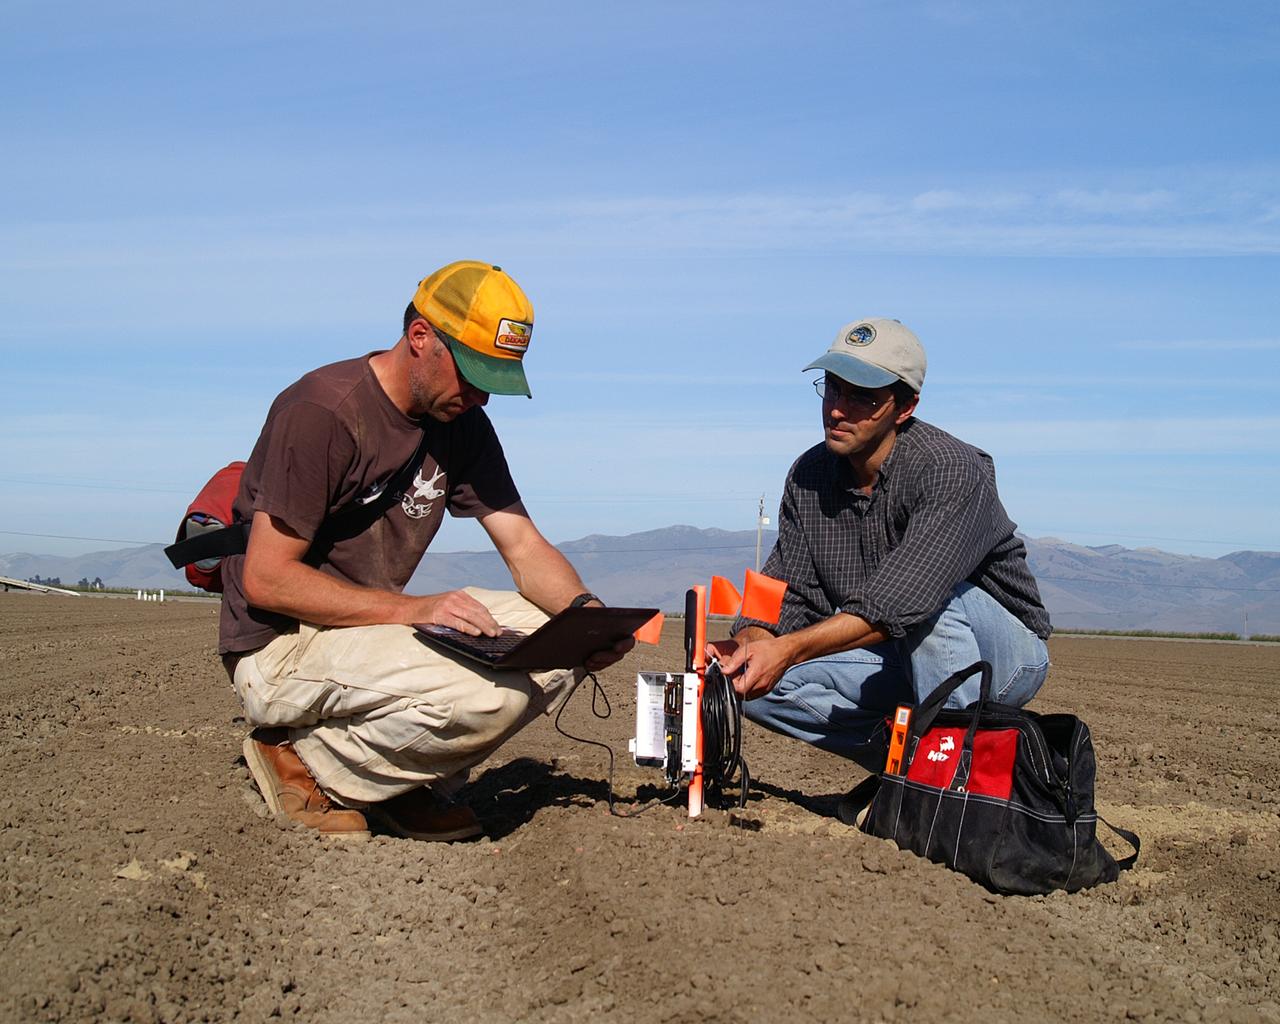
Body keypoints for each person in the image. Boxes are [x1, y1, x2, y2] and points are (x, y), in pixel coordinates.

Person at [218, 260, 632, 843]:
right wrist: (414, 609)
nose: (481, 395)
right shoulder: (323, 412)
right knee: (493, 696)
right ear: (420, 338)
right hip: (282, 644)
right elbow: (266, 579)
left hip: (365, 629)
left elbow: (522, 543)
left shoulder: (461, 421)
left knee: (555, 642)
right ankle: (302, 761)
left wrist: (588, 616)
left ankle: (396, 781)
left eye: (495, 379)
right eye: (471, 373)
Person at [707, 317, 1051, 819]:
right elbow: (786, 588)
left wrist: (789, 648)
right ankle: (911, 766)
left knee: (934, 607)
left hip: (999, 653)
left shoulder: (950, 469)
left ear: (905, 407)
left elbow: (903, 602)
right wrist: (748, 643)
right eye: (832, 388)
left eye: (864, 397)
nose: (838, 409)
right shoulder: (809, 474)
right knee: (750, 687)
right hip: (893, 655)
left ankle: (952, 784)